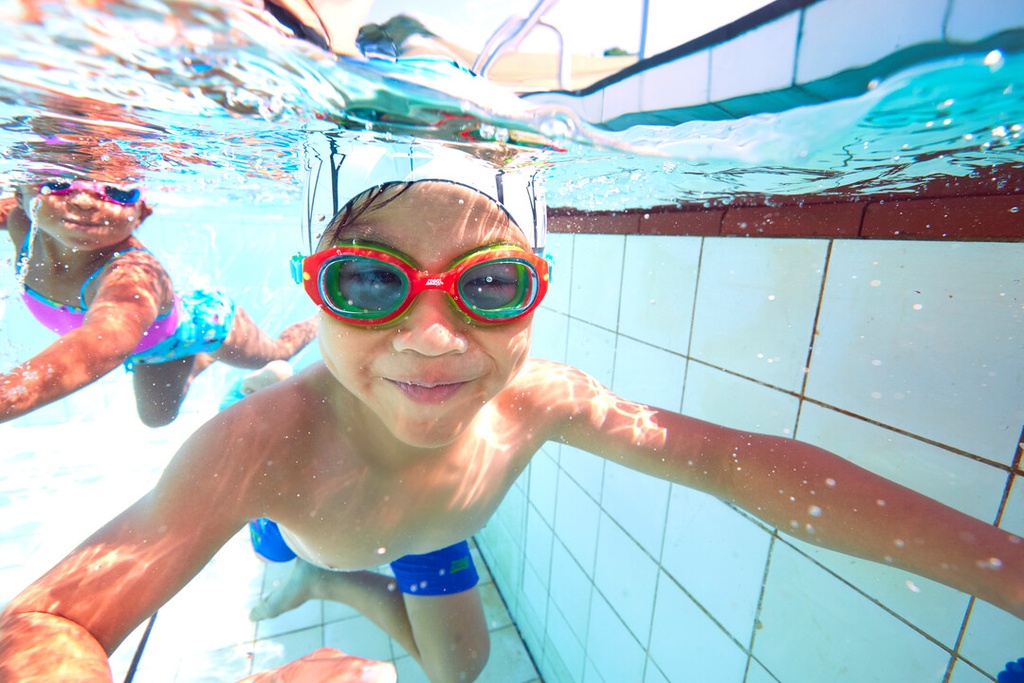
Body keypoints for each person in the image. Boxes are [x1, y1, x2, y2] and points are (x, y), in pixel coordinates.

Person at [1, 138, 1021, 683]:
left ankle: (326, 576)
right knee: (256, 380)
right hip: (299, 494)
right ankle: (297, 547)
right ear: (315, 286)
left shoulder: (538, 395)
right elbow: (45, 620)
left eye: (487, 287)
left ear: (537, 288)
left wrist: (1005, 567)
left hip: (415, 532)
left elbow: (735, 461)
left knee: (460, 670)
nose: (435, 338)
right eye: (367, 284)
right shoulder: (256, 447)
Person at [0, 178, 317, 426]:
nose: (83, 201)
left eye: (118, 191)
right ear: (21, 195)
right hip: (153, 348)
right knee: (157, 419)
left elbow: (102, 343)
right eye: (57, 184)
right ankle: (200, 360)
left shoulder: (130, 275)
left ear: (140, 211)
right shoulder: (21, 222)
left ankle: (318, 321)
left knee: (276, 355)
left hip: (206, 324)